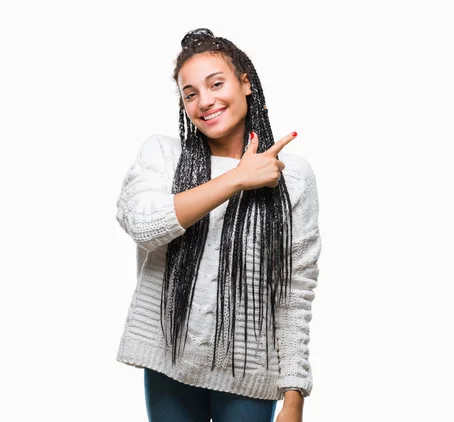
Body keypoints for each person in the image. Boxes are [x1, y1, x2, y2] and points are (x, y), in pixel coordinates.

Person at [114, 28, 321, 422]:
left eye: (216, 84)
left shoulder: (293, 175)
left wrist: (294, 395)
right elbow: (142, 223)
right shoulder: (163, 153)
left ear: (245, 83)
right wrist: (237, 178)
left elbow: (296, 289)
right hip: (169, 363)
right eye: (190, 93)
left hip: (250, 369)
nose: (205, 101)